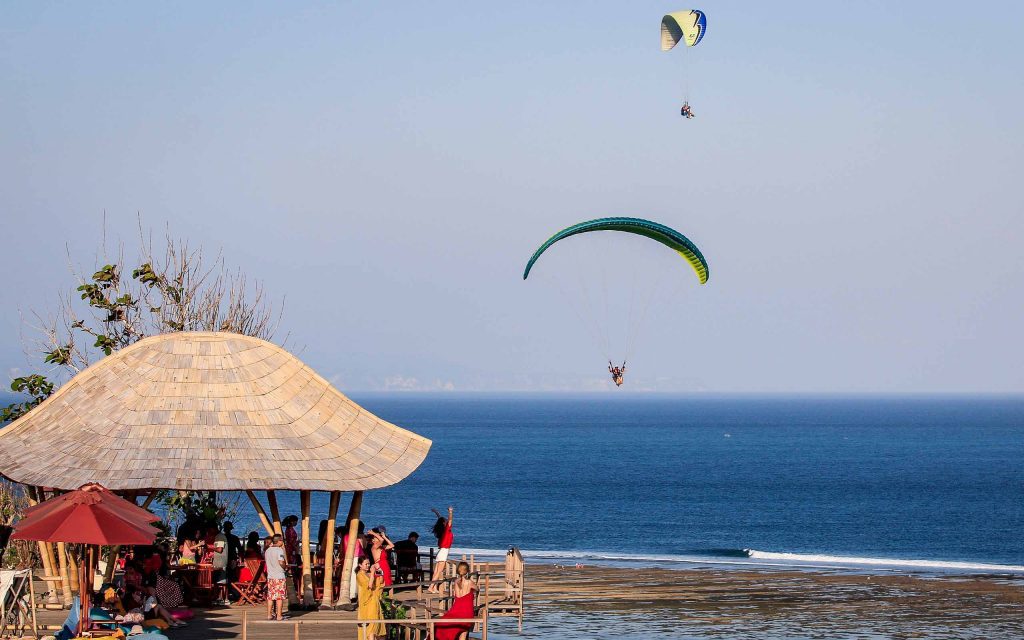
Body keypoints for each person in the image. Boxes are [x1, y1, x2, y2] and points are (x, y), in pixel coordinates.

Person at [434, 561, 478, 640]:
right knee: (463, 633)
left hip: (456, 610)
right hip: (466, 612)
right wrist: (473, 592)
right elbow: (477, 588)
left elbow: (457, 596)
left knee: (446, 624)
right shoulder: (469, 582)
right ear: (467, 571)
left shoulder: (456, 581)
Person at [355, 557, 384, 640]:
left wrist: (379, 568)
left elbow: (381, 580)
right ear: (360, 565)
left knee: (374, 625)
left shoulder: (368, 573)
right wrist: (372, 573)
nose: (368, 565)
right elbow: (369, 586)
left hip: (374, 601)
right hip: (366, 603)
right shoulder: (359, 575)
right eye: (366, 564)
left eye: (369, 564)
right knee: (370, 626)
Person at [427, 506, 454, 593]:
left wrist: (437, 512)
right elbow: (449, 520)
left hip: (441, 551)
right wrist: (450, 512)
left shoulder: (442, 530)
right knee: (438, 572)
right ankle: (431, 586)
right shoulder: (446, 530)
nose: (446, 521)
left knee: (436, 571)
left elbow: (440, 519)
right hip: (444, 551)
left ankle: (434, 587)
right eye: (445, 521)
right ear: (444, 523)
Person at [264, 534, 289, 621]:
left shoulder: (267, 551)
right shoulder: (279, 550)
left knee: (270, 596)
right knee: (279, 597)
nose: (283, 542)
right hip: (279, 576)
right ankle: (279, 615)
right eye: (282, 540)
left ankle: (269, 614)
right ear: (279, 541)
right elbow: (281, 562)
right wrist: (286, 567)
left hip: (270, 576)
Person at [212, 527, 230, 605]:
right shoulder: (219, 536)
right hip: (220, 562)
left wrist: (210, 547)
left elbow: (219, 549)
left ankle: (223, 599)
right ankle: (221, 598)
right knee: (221, 581)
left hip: (220, 562)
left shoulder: (219, 537)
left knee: (221, 582)